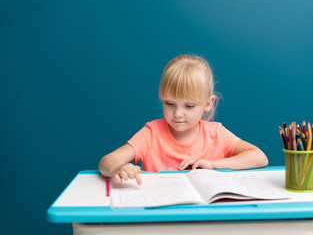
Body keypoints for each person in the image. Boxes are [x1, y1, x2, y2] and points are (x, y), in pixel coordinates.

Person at [99, 54, 268, 185]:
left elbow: (259, 157)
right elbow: (106, 162)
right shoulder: (152, 133)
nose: (178, 114)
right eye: (169, 103)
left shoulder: (216, 134)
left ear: (208, 104)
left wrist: (213, 164)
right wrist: (118, 168)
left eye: (189, 106)